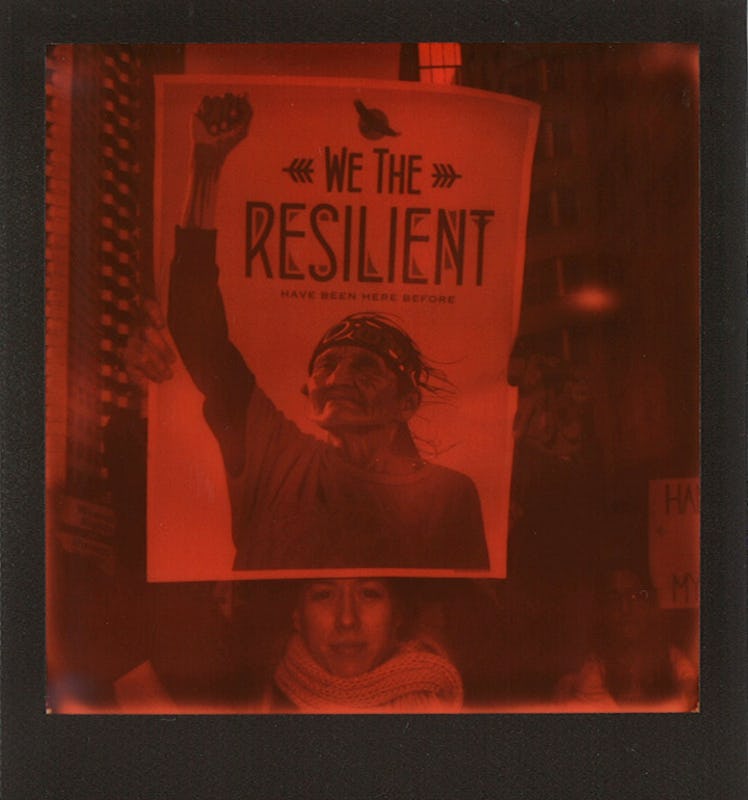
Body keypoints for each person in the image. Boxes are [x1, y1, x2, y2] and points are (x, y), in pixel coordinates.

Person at [136, 92, 489, 572]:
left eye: (365, 365)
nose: (339, 375)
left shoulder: (450, 495)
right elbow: (197, 331)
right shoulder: (277, 456)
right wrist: (207, 166)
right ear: (308, 392)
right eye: (326, 365)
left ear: (407, 402)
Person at [266, 578, 464, 712]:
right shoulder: (260, 702)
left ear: (397, 614)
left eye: (369, 593)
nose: (347, 619)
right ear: (297, 616)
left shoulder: (435, 705)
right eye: (324, 594)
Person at [554, 567, 698, 711]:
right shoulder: (593, 672)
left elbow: (688, 689)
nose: (625, 608)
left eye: (635, 596)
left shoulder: (670, 657)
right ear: (603, 610)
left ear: (648, 604)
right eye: (614, 599)